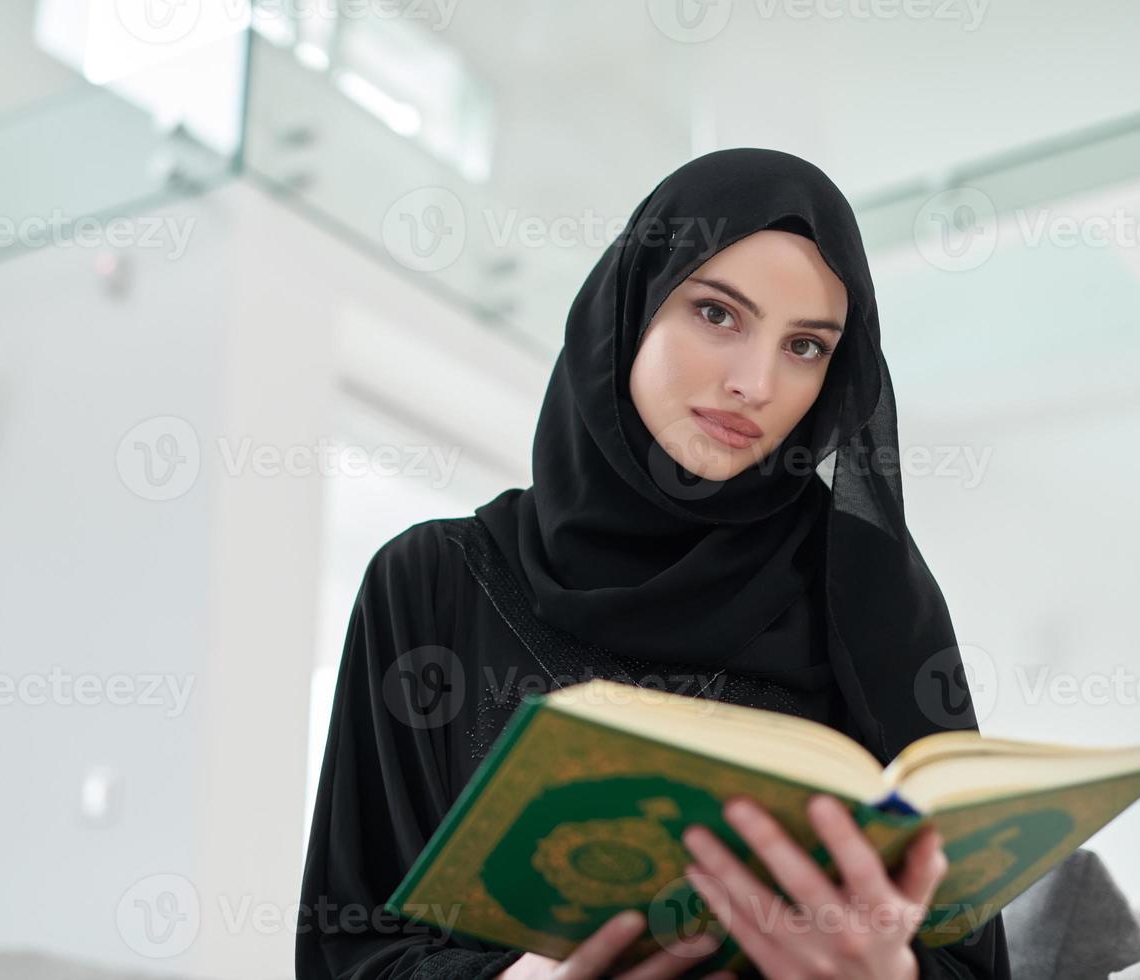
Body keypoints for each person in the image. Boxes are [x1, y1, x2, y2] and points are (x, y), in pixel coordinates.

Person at [295, 148, 1010, 979]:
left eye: (806, 347)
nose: (756, 382)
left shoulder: (870, 595)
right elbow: (347, 953)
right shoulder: (431, 581)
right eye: (718, 314)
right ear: (629, 307)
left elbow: (968, 953)